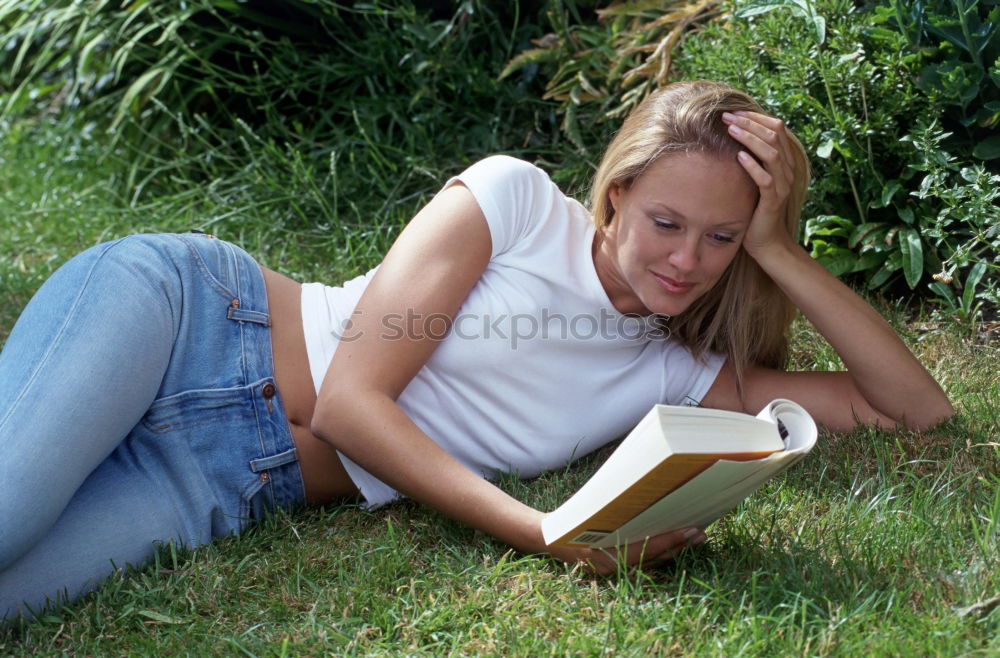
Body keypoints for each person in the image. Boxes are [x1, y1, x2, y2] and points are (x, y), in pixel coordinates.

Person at [0, 80, 953, 619]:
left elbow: (913, 413)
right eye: (666, 220)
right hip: (185, 323)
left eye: (722, 238)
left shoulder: (675, 370)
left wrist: (779, 248)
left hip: (223, 478)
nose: (686, 260)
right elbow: (350, 402)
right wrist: (544, 531)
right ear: (615, 194)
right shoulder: (513, 204)